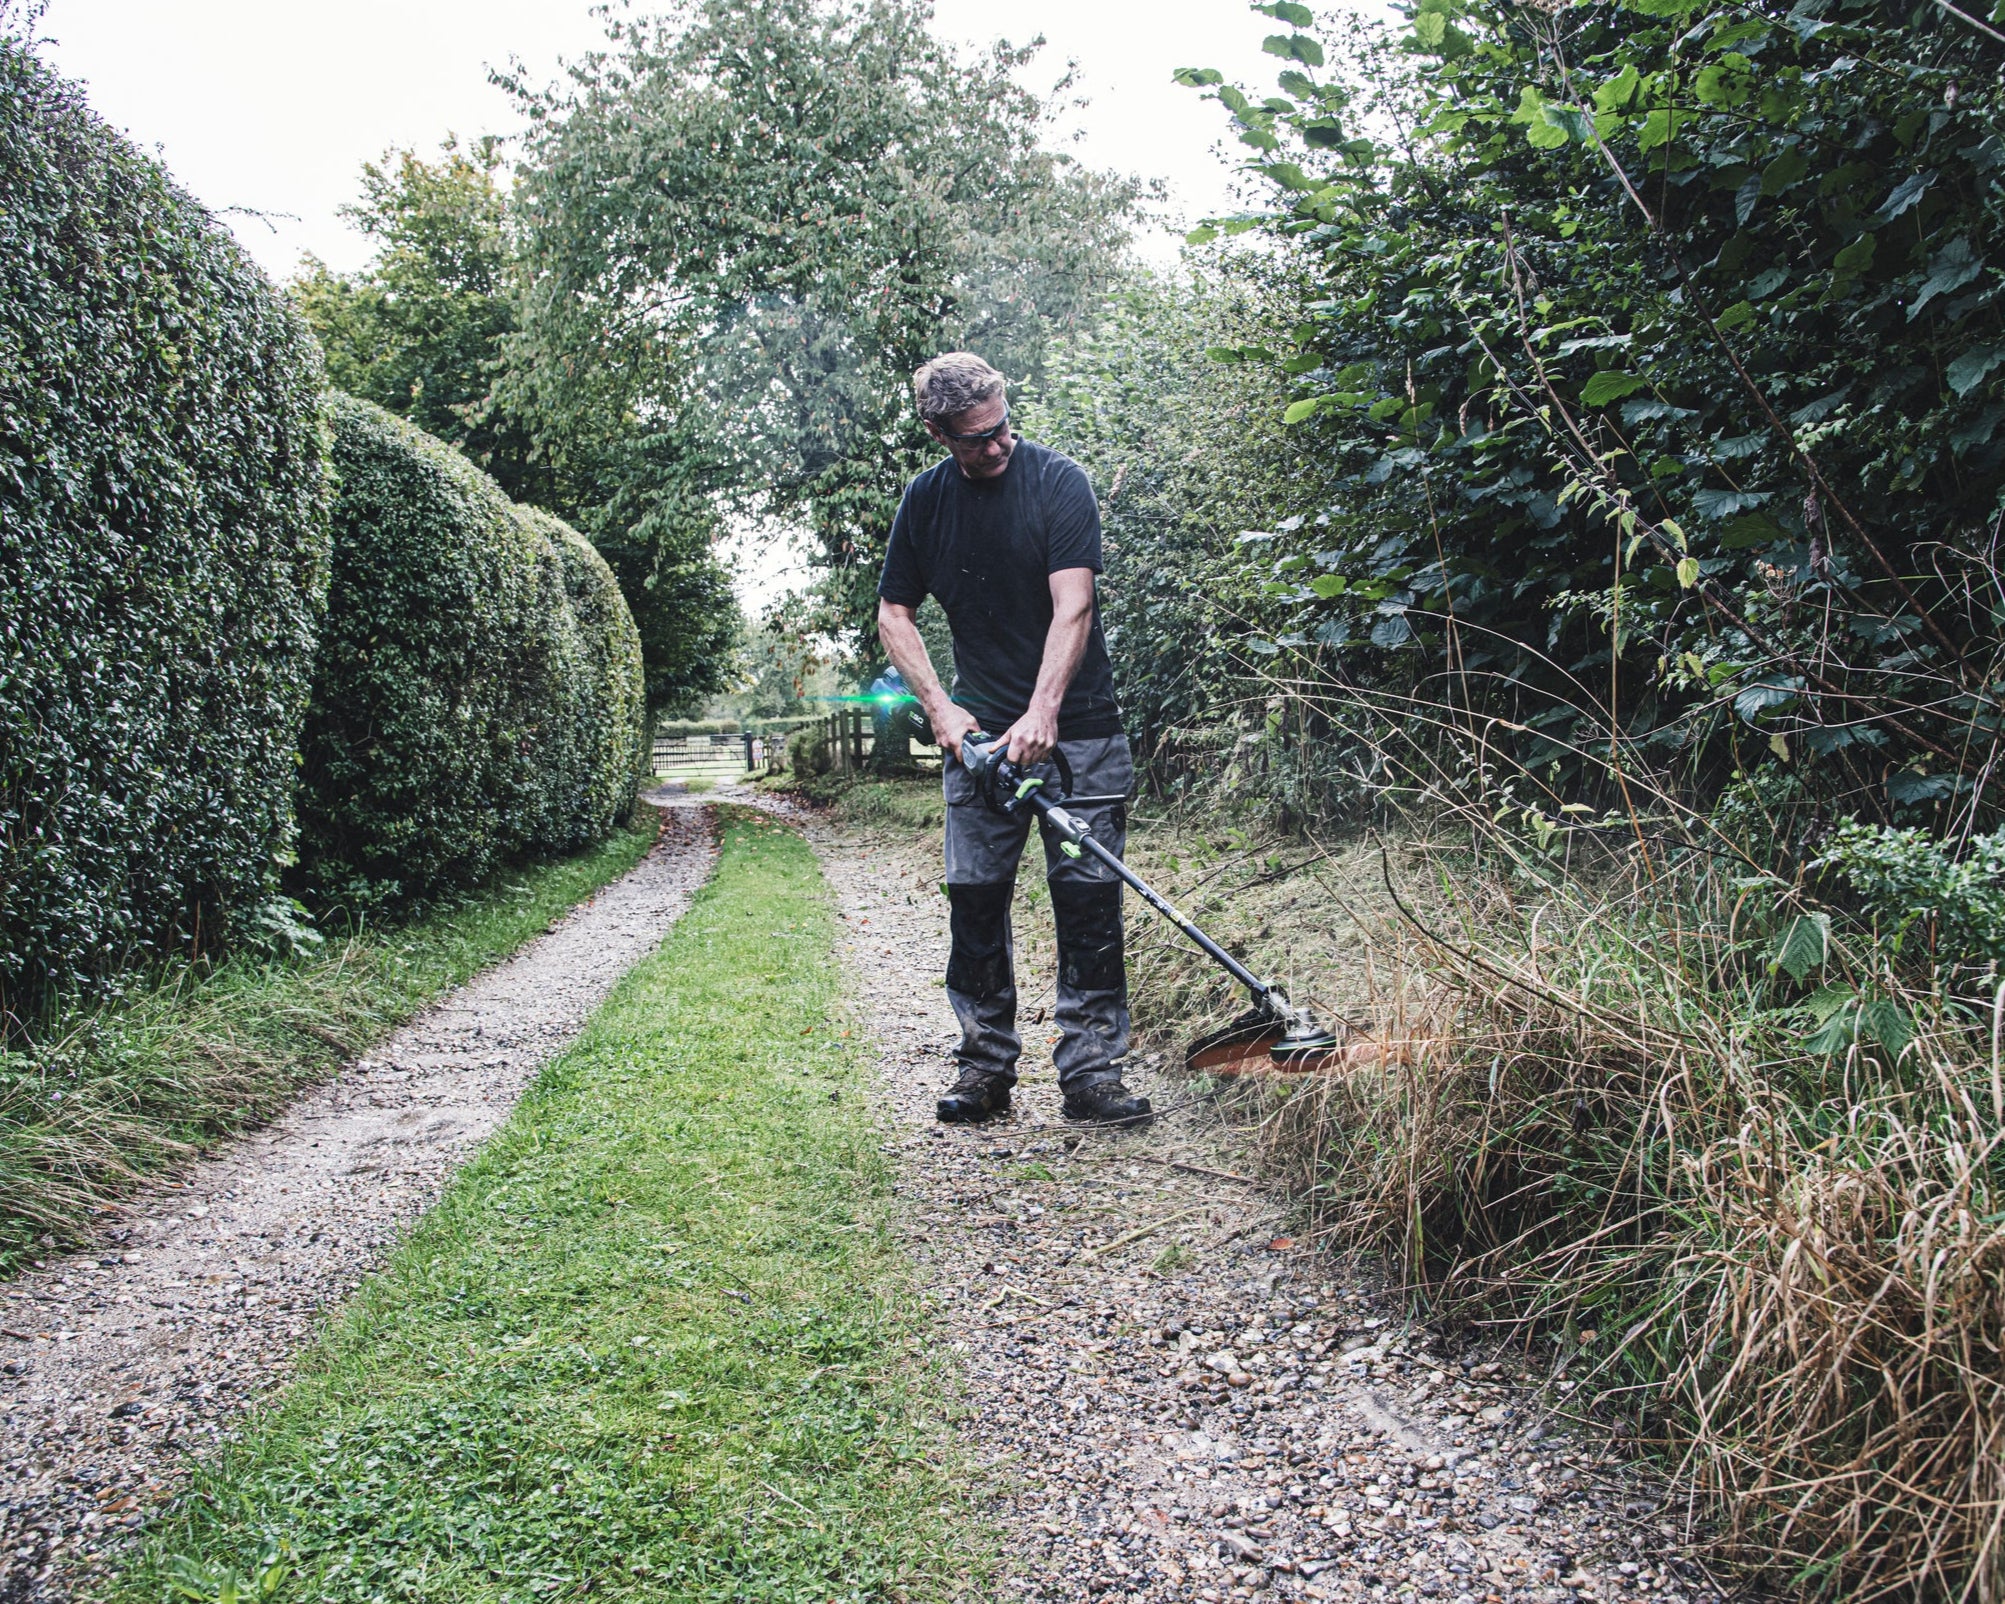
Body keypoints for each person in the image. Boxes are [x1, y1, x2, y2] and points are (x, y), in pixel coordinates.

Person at [876, 351, 1151, 1128]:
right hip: (978, 747)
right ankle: (984, 1067)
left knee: (1089, 905)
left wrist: (1041, 713)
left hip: (1081, 735)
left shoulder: (1057, 481)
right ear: (937, 434)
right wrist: (940, 710)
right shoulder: (924, 503)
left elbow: (1074, 607)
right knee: (974, 903)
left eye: (1000, 429)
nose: (995, 447)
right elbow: (893, 613)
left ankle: (1091, 1073)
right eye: (974, 440)